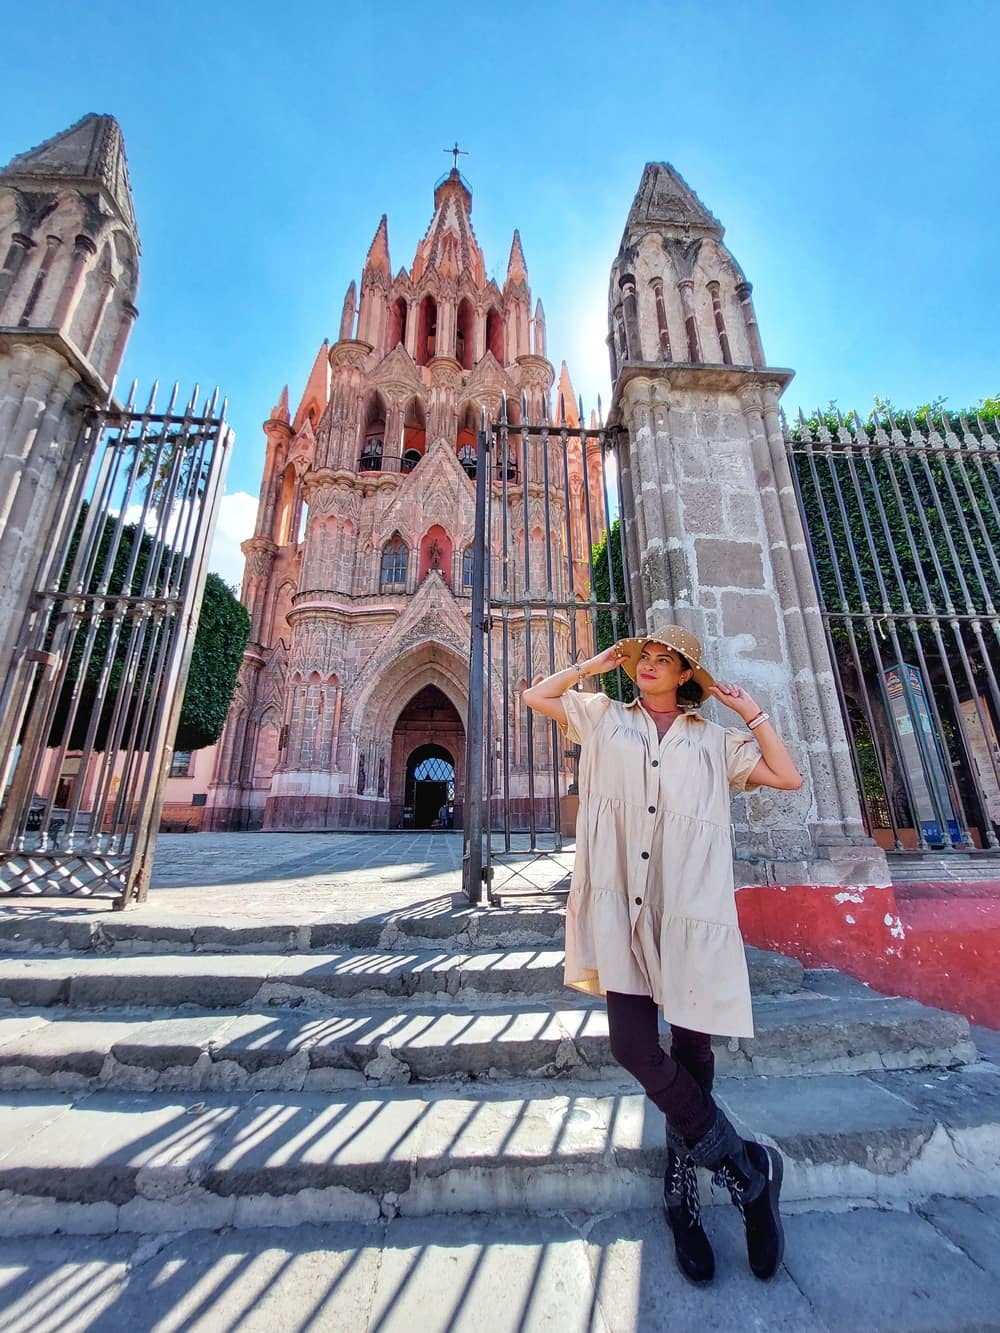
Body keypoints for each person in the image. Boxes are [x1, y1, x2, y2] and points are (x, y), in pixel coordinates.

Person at [522, 622, 803, 1285]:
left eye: (662, 659)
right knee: (633, 1046)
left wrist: (752, 713)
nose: (647, 665)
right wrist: (591, 665)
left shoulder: (713, 741)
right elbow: (537, 696)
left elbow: (787, 776)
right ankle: (746, 1168)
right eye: (642, 656)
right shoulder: (602, 717)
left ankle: (683, 1197)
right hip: (625, 907)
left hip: (686, 911)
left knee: (693, 1054)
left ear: (684, 676)